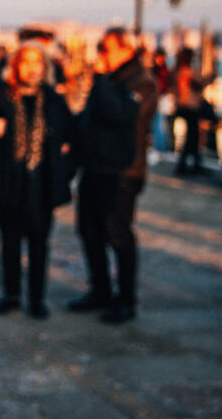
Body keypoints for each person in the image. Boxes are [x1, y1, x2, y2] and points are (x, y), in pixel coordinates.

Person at [0, 42, 74, 319]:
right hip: (8, 182)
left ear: (45, 67)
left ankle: (37, 298)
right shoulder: (0, 96)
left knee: (40, 243)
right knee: (10, 242)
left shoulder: (53, 99)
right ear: (16, 65)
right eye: (26, 62)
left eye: (37, 62)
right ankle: (12, 294)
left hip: (42, 185)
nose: (32, 68)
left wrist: (64, 160)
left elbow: (72, 135)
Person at [68, 27, 157, 324]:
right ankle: (101, 290)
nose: (100, 56)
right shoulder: (107, 82)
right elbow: (89, 119)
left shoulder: (142, 82)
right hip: (94, 167)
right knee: (89, 230)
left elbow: (121, 116)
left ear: (124, 49)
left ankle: (126, 298)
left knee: (117, 233)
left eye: (105, 49)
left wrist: (102, 79)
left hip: (123, 171)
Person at [172, 47, 205, 175]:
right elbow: (199, 84)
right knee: (192, 137)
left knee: (193, 137)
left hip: (183, 106)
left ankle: (193, 164)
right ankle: (184, 165)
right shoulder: (187, 72)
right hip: (189, 108)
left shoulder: (178, 71)